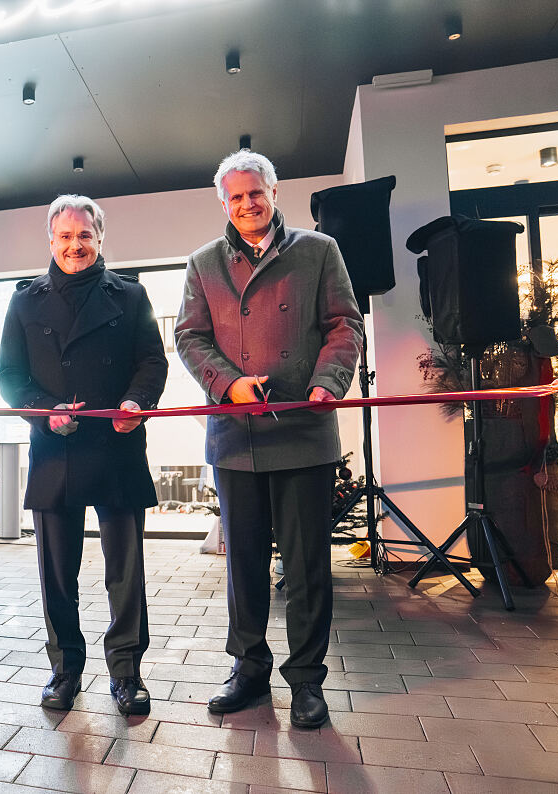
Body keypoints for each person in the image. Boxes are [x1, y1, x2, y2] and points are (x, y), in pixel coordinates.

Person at [174, 150, 362, 728]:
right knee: (244, 565)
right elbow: (189, 336)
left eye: (255, 193)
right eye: (234, 197)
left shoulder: (318, 251)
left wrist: (328, 382)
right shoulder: (203, 263)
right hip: (236, 434)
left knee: (307, 566)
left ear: (274, 193)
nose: (247, 204)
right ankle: (249, 668)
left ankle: (307, 680)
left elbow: (343, 324)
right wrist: (227, 384)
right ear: (223, 203)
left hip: (303, 428)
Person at [0, 195, 167, 715]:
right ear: (51, 240)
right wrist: (45, 410)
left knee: (126, 571)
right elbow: (9, 375)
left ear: (100, 238)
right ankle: (64, 669)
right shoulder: (24, 300)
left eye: (85, 235)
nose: (75, 245)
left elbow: (151, 361)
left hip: (116, 447)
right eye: (65, 236)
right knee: (56, 572)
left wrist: (137, 402)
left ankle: (126, 673)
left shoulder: (131, 295)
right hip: (55, 450)